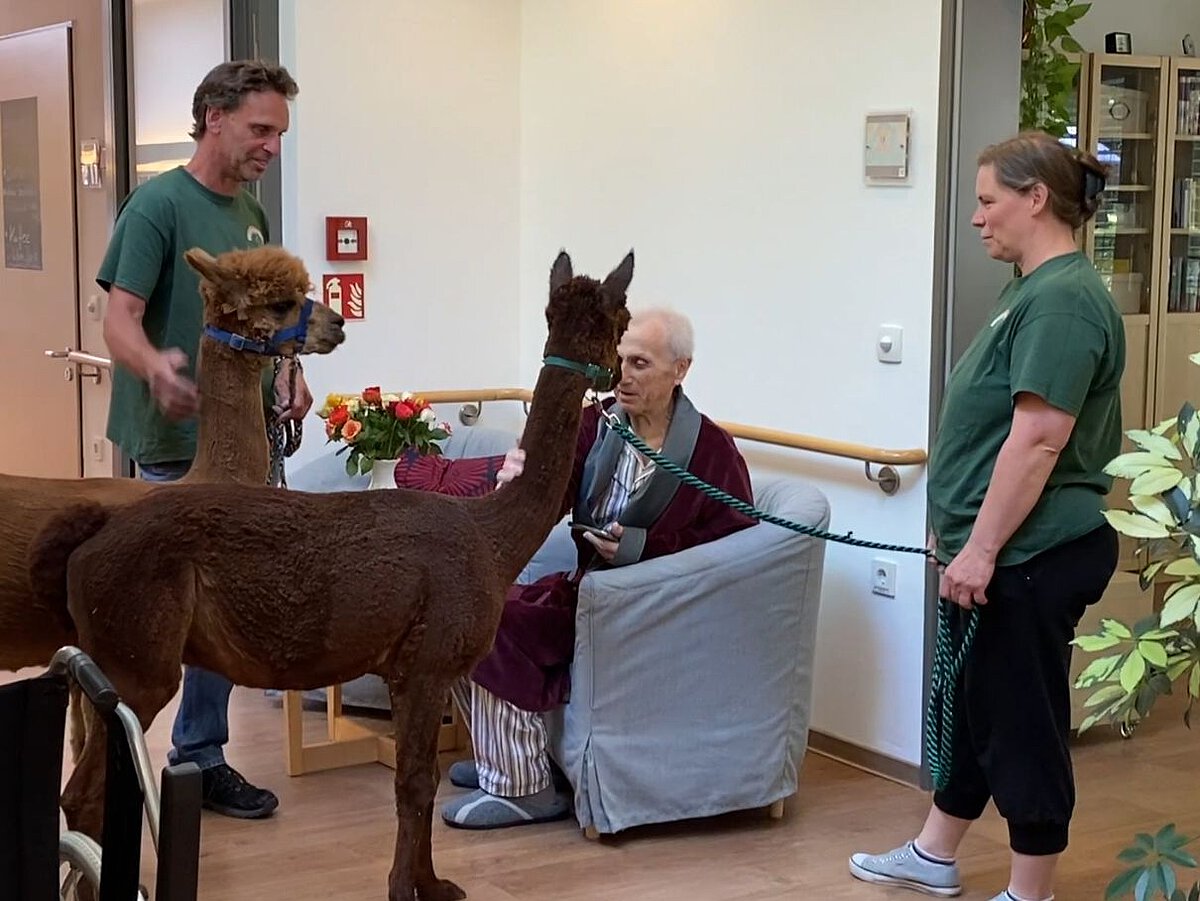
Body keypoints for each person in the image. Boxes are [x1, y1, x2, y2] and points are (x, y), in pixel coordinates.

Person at [849, 132, 1124, 900]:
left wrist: (983, 547)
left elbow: (1038, 441)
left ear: (1035, 199)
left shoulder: (1067, 299)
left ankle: (1028, 889)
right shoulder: (1030, 289)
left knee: (1022, 719)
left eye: (987, 200)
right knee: (976, 704)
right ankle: (936, 853)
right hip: (999, 546)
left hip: (1034, 551)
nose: (977, 218)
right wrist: (961, 529)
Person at [431, 307, 757, 829]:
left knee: (497, 621)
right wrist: (515, 481)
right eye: (620, 360)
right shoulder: (598, 424)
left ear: (681, 370)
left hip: (648, 606)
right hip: (588, 591)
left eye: (641, 363)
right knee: (461, 606)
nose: (623, 375)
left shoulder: (710, 451)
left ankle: (523, 788)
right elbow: (549, 494)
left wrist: (646, 546)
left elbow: (736, 544)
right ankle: (510, 759)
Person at [98, 59, 307, 819]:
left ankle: (199, 755)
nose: (271, 147)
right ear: (212, 117)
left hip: (242, 441)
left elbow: (269, 312)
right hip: (171, 439)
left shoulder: (251, 214)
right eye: (261, 129)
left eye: (279, 133)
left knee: (223, 602)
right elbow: (119, 316)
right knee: (159, 611)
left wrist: (287, 372)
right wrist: (155, 366)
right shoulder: (157, 206)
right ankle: (115, 755)